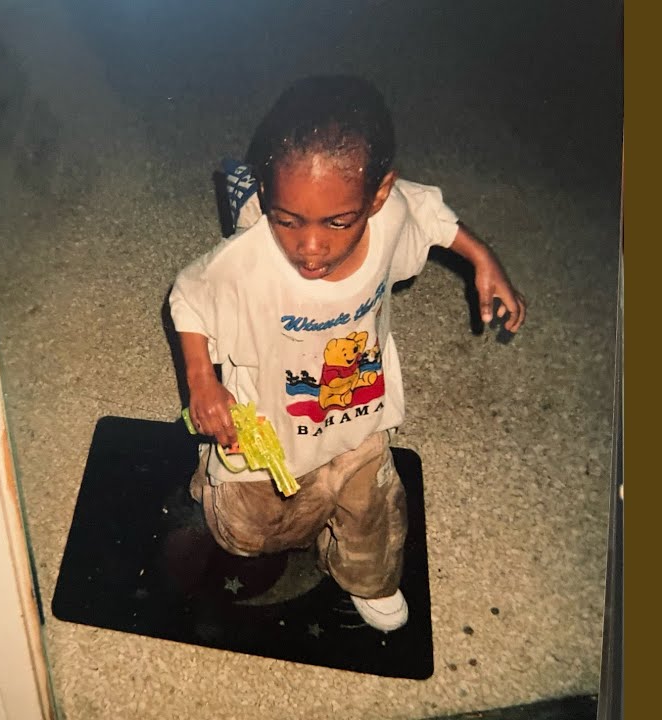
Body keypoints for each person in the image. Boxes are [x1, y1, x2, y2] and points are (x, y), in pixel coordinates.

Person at [168, 75, 526, 632]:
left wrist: (484, 258)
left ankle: (364, 577)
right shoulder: (247, 262)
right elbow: (189, 297)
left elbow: (432, 215)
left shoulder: (391, 214)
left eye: (337, 222)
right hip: (270, 425)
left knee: (373, 515)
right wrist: (202, 382)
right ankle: (213, 482)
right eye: (288, 220)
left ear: (377, 196)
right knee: (246, 536)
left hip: (360, 417)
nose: (311, 247)